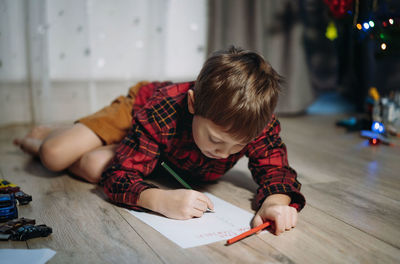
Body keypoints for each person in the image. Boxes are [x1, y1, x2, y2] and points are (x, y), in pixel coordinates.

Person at [14, 47, 305, 235]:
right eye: (216, 140)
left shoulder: (254, 122)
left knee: (93, 165)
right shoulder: (162, 111)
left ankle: (104, 142)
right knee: (54, 154)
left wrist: (275, 202)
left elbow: (276, 170)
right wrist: (158, 199)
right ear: (192, 104)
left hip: (164, 151)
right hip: (137, 110)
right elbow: (120, 177)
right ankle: (46, 135)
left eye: (238, 146)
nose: (223, 153)